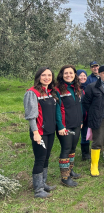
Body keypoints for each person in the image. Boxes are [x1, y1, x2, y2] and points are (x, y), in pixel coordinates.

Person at [24, 67, 58, 198]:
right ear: (38, 77)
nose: (47, 77)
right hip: (39, 131)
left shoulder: (50, 92)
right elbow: (31, 116)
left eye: (49, 75)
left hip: (50, 130)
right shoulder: (32, 93)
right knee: (40, 158)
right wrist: (35, 133)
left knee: (46, 157)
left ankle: (43, 183)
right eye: (44, 75)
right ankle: (38, 190)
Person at [55, 65, 83, 187]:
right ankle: (65, 177)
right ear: (61, 75)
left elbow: (79, 107)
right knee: (66, 149)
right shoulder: (57, 90)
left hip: (76, 124)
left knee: (72, 149)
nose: (68, 75)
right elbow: (56, 110)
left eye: (71, 73)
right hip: (65, 126)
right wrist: (60, 126)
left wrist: (81, 121)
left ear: (74, 75)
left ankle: (70, 170)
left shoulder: (76, 88)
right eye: (66, 73)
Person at [77, 70, 91, 161]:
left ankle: (85, 154)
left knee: (86, 135)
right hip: (78, 116)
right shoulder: (75, 89)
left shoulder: (88, 87)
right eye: (80, 75)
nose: (83, 77)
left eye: (84, 75)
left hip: (87, 116)